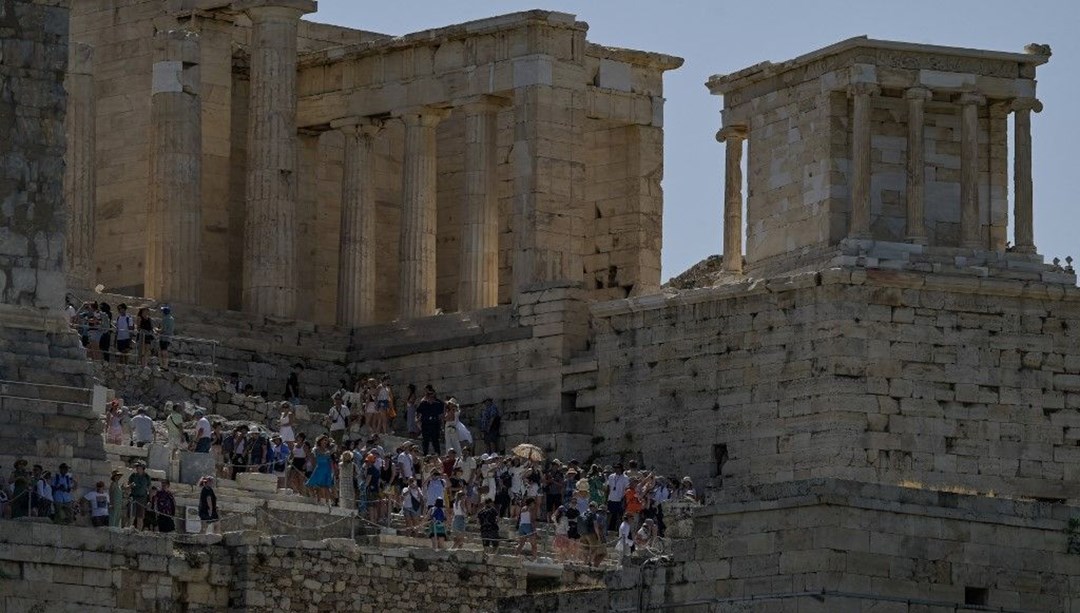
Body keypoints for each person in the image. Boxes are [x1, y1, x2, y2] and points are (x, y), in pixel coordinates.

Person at [305, 435, 335, 504]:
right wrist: (313, 468)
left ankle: (327, 502)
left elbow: (330, 461)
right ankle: (316, 499)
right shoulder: (315, 449)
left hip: (327, 469)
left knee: (326, 486)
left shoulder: (327, 450)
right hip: (319, 468)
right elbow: (313, 459)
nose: (326, 442)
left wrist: (332, 471)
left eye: (326, 440)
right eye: (324, 440)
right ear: (320, 441)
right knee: (311, 484)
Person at [416, 385, 444, 455]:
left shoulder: (438, 404)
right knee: (425, 441)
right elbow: (418, 413)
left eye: (431, 394)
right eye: (428, 395)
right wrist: (418, 422)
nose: (430, 397)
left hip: (435, 424)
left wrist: (442, 426)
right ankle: (425, 455)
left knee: (435, 441)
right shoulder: (423, 404)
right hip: (426, 424)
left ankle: (438, 455)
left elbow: (440, 416)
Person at [605, 463, 630, 532]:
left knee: (619, 516)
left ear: (621, 468)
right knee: (610, 516)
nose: (616, 469)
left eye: (618, 468)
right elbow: (608, 488)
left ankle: (619, 531)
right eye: (615, 468)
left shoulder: (625, 478)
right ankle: (609, 530)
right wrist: (606, 499)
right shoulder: (611, 476)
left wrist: (624, 501)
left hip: (619, 500)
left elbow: (626, 490)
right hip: (611, 499)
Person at [127, 461, 151, 530]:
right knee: (131, 515)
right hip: (133, 497)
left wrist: (149, 500)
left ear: (142, 468)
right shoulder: (133, 476)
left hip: (142, 498)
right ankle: (128, 530)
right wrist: (130, 486)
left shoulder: (147, 477)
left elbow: (149, 489)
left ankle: (139, 532)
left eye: (139, 467)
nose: (137, 468)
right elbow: (128, 485)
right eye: (137, 467)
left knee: (140, 517)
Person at [158, 305, 175, 370]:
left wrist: (157, 330)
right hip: (169, 337)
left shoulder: (165, 319)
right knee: (164, 351)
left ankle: (164, 366)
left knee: (163, 351)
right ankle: (165, 365)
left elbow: (163, 329)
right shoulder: (172, 318)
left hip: (164, 337)